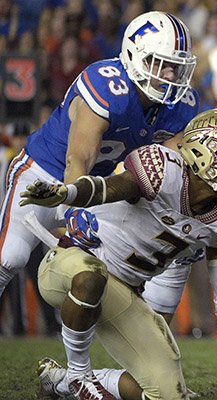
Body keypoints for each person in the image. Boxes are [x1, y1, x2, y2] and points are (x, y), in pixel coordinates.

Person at [20, 109, 217, 400]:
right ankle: (77, 375)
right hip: (70, 264)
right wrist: (68, 194)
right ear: (201, 149)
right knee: (90, 275)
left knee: (167, 393)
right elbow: (106, 189)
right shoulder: (163, 168)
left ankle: (57, 381)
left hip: (124, 293)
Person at [0, 11, 199, 301]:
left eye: (176, 67)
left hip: (98, 187)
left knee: (103, 277)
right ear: (135, 56)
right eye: (163, 64)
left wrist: (186, 217)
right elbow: (78, 158)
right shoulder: (108, 85)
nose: (170, 75)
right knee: (11, 256)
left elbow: (174, 170)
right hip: (42, 173)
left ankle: (80, 344)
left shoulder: (180, 105)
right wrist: (75, 212)